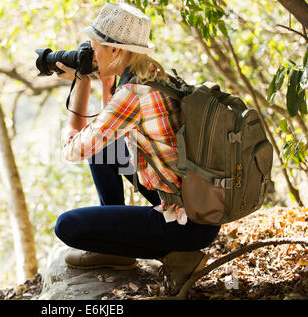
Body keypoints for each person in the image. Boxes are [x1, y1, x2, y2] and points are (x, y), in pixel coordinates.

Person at [53, 2, 220, 290]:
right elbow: (108, 136)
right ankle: (118, 251)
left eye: (94, 48)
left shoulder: (133, 94)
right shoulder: (155, 74)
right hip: (201, 208)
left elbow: (73, 149)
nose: (90, 55)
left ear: (115, 50)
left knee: (67, 225)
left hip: (185, 226)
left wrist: (82, 83)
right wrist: (105, 80)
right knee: (105, 150)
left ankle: (173, 253)